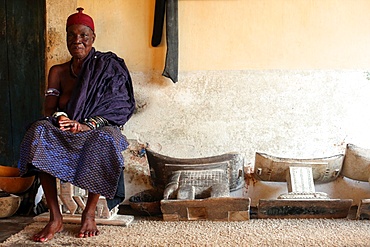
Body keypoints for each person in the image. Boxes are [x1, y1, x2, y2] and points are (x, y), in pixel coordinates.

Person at [18, 7, 135, 242]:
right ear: (66, 38)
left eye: (83, 36)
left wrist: (87, 125)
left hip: (99, 128)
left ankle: (88, 213)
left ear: (93, 38)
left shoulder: (107, 67)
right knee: (38, 132)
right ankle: (55, 217)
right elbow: (49, 109)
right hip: (65, 126)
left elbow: (120, 106)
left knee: (104, 140)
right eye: (71, 35)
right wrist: (61, 118)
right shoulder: (58, 71)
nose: (77, 41)